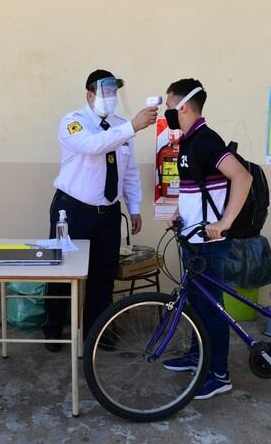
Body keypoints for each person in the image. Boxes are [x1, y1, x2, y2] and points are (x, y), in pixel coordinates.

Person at [42, 69, 158, 352]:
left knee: (102, 276)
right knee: (62, 272)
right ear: (90, 95)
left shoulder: (121, 127)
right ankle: (54, 330)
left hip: (107, 214)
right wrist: (133, 126)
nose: (111, 97)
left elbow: (128, 172)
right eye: (105, 92)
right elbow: (92, 146)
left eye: (114, 92)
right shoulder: (73, 122)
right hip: (72, 211)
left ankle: (97, 332)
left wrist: (133, 208)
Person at [162, 78, 253, 399]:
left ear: (183, 106)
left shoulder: (205, 140)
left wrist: (225, 222)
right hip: (192, 238)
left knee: (211, 308)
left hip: (211, 243)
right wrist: (177, 211)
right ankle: (197, 354)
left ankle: (219, 374)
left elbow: (242, 176)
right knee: (196, 302)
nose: (167, 111)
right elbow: (195, 187)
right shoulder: (187, 141)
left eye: (169, 106)